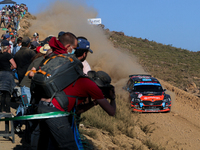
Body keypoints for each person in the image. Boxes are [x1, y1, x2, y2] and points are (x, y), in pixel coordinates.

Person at [30, 32, 116, 150]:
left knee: (47, 145)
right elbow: (111, 112)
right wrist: (113, 98)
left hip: (42, 106)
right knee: (69, 146)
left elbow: (78, 110)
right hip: (56, 113)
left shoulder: (61, 63)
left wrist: (93, 103)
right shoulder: (88, 83)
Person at [0, 40, 17, 113]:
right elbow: (14, 65)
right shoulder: (8, 55)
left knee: (2, 93)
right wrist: (10, 68)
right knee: (7, 93)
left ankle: (2, 109)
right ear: (7, 47)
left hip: (0, 74)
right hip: (7, 74)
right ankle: (8, 110)